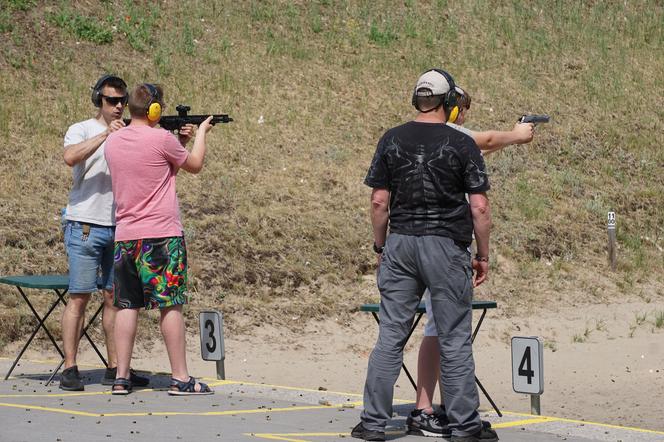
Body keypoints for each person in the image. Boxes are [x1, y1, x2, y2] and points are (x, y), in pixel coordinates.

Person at [352, 69, 498, 442]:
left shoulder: (391, 139)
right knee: (453, 338)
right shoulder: (462, 144)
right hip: (446, 245)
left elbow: (379, 201)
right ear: (449, 102)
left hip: (401, 242)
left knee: (391, 335)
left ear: (417, 99)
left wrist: (381, 246)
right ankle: (464, 425)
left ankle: (372, 423)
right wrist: (482, 254)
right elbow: (479, 208)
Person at [408, 85, 534, 437]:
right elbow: (489, 141)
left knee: (436, 327)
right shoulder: (448, 131)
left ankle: (443, 407)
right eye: (460, 112)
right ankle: (435, 410)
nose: (463, 119)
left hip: (414, 242)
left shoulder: (417, 137)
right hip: (446, 245)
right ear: (450, 110)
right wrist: (519, 135)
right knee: (446, 330)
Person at [104, 83, 214, 396]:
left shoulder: (113, 142)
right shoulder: (161, 139)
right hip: (162, 236)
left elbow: (155, 174)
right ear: (154, 110)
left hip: (125, 236)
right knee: (170, 305)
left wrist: (177, 141)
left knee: (127, 305)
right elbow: (194, 165)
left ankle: (121, 377)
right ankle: (181, 378)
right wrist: (201, 134)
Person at [60, 75, 149, 391]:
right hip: (85, 223)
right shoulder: (82, 129)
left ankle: (116, 367)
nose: (118, 106)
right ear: (99, 100)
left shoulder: (128, 131)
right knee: (79, 297)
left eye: (123, 101)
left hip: (119, 225)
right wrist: (105, 137)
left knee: (115, 298)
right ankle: (70, 367)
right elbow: (70, 157)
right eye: (112, 101)